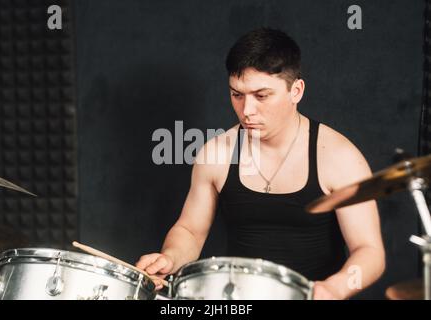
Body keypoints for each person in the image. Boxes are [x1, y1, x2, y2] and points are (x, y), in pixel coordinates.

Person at [136, 28, 385, 299]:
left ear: (296, 91)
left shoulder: (339, 157)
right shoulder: (217, 153)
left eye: (262, 96)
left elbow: (369, 251)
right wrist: (170, 258)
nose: (247, 111)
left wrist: (334, 289)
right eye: (237, 95)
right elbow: (190, 231)